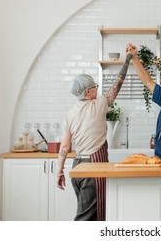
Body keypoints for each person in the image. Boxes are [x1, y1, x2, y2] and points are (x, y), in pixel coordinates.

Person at [56, 46, 133, 221]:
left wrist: (59, 172)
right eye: (95, 87)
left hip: (77, 166)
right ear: (88, 91)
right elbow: (118, 83)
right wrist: (128, 59)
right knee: (87, 219)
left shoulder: (70, 114)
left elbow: (65, 147)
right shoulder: (99, 105)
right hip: (93, 166)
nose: (97, 90)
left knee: (89, 213)